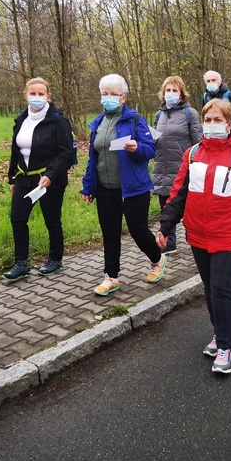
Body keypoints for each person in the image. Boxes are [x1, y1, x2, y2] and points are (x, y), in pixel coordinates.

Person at [157, 99, 231, 374]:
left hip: (230, 233)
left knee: (222, 288)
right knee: (209, 288)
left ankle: (225, 346)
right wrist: (166, 225)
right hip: (198, 232)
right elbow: (178, 192)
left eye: (217, 120)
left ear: (229, 123)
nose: (211, 125)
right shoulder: (192, 153)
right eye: (207, 120)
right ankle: (219, 332)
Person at [81, 74, 167, 296]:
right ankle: (111, 276)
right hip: (105, 188)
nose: (108, 98)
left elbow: (150, 150)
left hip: (133, 188)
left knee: (137, 230)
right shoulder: (98, 123)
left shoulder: (135, 120)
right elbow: (93, 158)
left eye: (113, 94)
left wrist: (136, 148)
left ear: (123, 97)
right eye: (104, 94)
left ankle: (157, 259)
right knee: (110, 232)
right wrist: (88, 186)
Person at [4, 77, 74, 280]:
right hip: (24, 179)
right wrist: (12, 179)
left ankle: (55, 259)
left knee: (52, 220)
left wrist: (50, 176)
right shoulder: (20, 120)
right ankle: (21, 263)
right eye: (32, 93)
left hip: (49, 180)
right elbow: (15, 152)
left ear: (48, 97)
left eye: (40, 94)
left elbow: (65, 153)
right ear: (25, 95)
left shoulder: (58, 121)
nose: (36, 97)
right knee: (17, 219)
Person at [152, 76, 202, 254]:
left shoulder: (191, 114)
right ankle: (169, 242)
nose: (171, 94)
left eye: (175, 90)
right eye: (168, 90)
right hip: (162, 168)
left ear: (181, 94)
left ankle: (197, 239)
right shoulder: (159, 115)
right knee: (165, 205)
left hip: (183, 169)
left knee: (190, 208)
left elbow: (199, 144)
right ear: (163, 94)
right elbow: (154, 141)